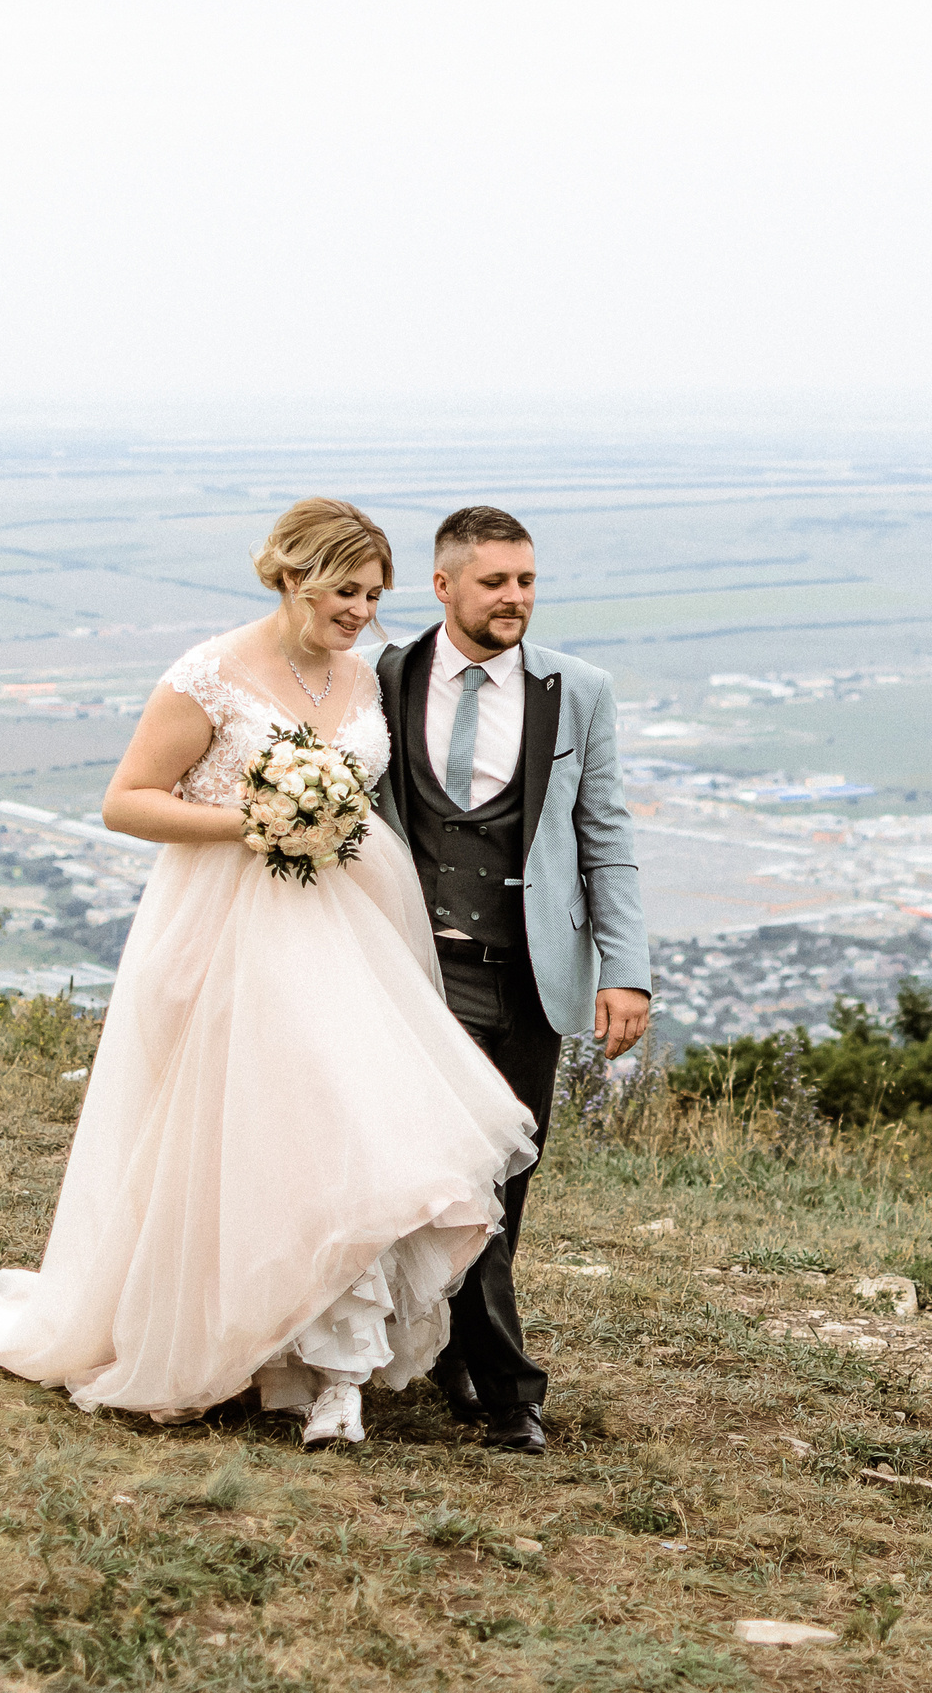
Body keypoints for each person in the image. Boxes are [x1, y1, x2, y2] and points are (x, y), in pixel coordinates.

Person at [0, 499, 541, 1449]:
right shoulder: (209, 674)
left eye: (374, 595)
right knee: (255, 1144)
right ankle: (235, 1340)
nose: (362, 612)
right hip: (228, 933)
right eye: (344, 592)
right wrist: (257, 819)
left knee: (350, 1134)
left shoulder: (363, 676)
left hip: (348, 932)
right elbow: (126, 801)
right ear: (291, 578)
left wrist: (327, 821)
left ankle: (337, 1376)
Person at [372, 505, 652, 1456]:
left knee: (506, 1177)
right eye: (495, 581)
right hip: (417, 968)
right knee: (457, 1169)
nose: (516, 598)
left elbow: (605, 836)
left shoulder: (579, 691)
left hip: (530, 976)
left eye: (527, 580)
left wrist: (626, 970)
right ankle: (511, 1395)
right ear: (443, 584)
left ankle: (453, 1353)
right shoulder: (383, 677)